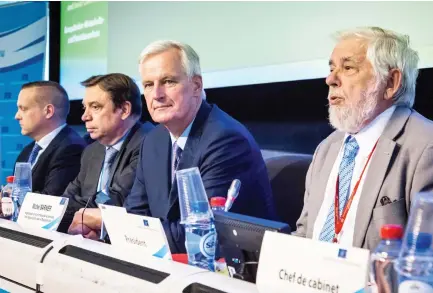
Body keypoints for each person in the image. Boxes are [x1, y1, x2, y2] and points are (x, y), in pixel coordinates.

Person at [293, 27, 433, 250]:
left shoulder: (425, 147)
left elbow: (425, 260)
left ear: (390, 83)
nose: (330, 79)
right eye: (331, 68)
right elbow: (305, 232)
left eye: (348, 68)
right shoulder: (326, 149)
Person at [61, 73, 154, 235]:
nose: (85, 116)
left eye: (95, 107)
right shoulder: (92, 151)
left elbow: (116, 198)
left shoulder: (150, 143)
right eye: (85, 107)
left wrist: (82, 217)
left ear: (124, 110)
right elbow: (69, 196)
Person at [15, 81, 86, 196]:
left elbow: (51, 201)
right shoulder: (27, 151)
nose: (17, 116)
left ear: (48, 111)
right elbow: (16, 193)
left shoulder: (71, 149)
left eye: (23, 109)